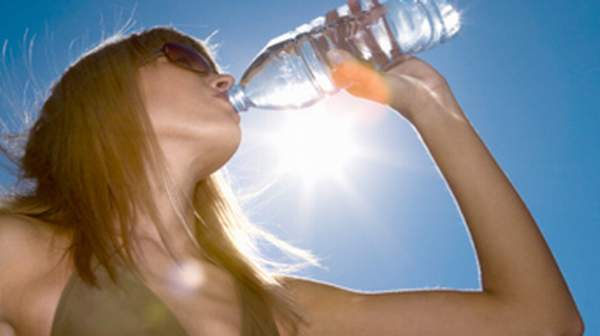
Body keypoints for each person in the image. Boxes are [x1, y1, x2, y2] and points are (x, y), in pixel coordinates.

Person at [0, 23, 583, 336]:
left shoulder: (280, 309)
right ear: (101, 98)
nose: (225, 78)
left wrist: (431, 104)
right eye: (185, 55)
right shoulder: (21, 252)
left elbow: (540, 322)